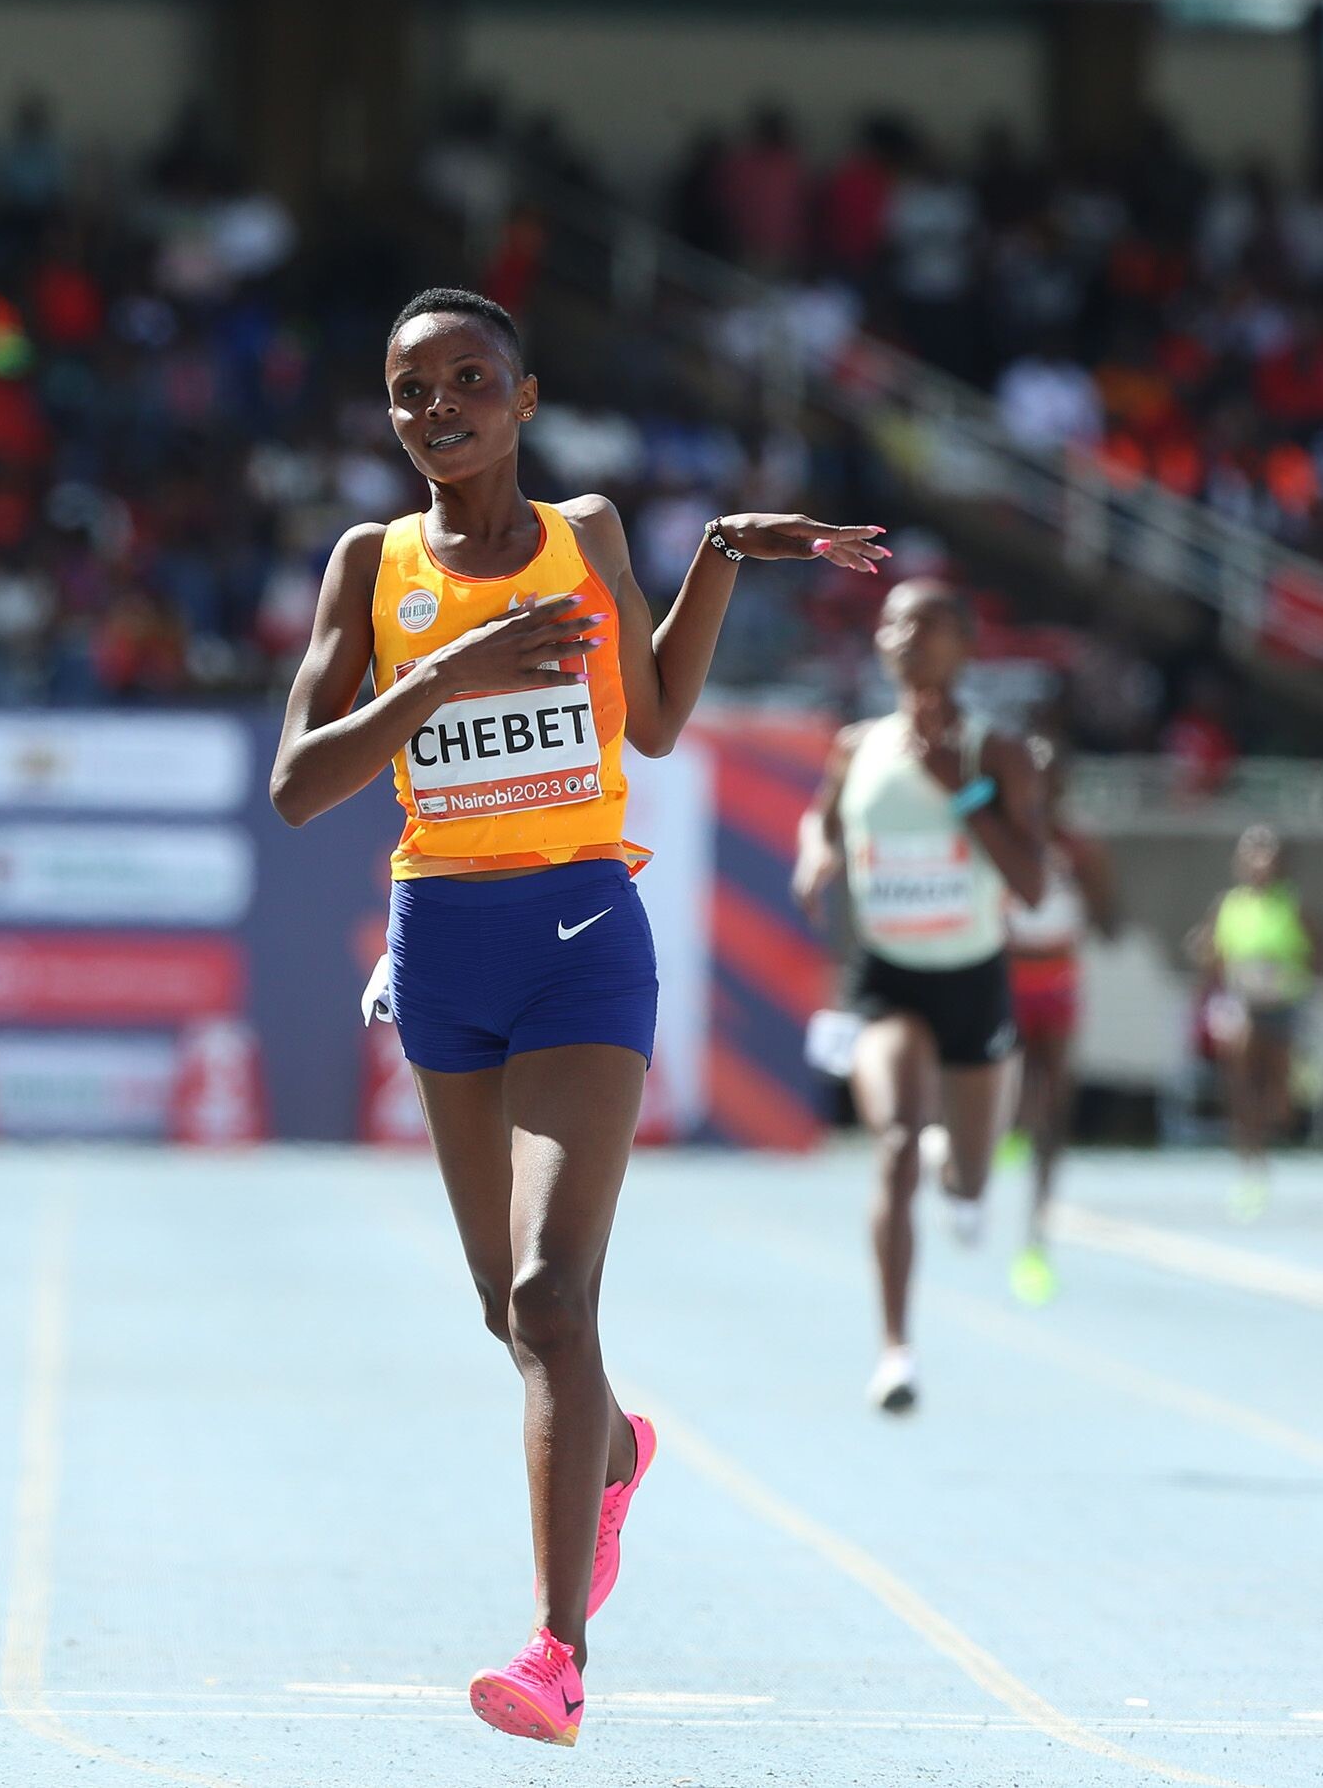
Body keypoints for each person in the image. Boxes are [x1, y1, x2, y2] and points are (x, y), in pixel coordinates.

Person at [270, 287, 887, 1748]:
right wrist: (444, 676)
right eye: (411, 389)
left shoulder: (587, 535)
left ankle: (556, 1653)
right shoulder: (370, 566)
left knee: (554, 1296)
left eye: (469, 380)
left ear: (526, 399)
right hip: (441, 943)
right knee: (507, 1307)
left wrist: (719, 556)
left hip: (580, 938)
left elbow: (653, 719)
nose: (440, 408)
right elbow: (298, 784)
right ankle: (614, 1448)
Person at [792, 581, 1047, 1414]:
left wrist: (961, 793)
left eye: (931, 623)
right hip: (887, 977)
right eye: (896, 621)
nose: (909, 634)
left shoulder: (995, 752)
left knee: (967, 1178)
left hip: (972, 978)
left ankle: (959, 1171)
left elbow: (1033, 885)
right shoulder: (857, 745)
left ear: (967, 646)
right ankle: (895, 1350)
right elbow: (823, 822)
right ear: (880, 642)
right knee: (895, 1144)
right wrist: (815, 857)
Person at [1001, 733, 1120, 1305]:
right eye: (1032, 775)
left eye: (1051, 777)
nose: (1042, 787)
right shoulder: (1000, 835)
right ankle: (991, 1155)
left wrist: (1088, 882)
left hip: (1055, 980)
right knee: (1007, 1086)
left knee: (1053, 1097)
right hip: (1006, 978)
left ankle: (1039, 1207)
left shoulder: (1077, 846)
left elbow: (1110, 922)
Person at [1189, 825, 1321, 1218]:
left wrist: (1297, 978)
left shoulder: (1291, 904)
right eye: (1252, 855)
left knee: (1278, 1092)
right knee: (1242, 1082)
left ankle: (1273, 1134)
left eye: (1267, 855)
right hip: (1241, 1001)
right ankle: (1249, 1158)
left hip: (1281, 1001)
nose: (1260, 863)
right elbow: (1212, 953)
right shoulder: (1229, 905)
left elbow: (1316, 947)